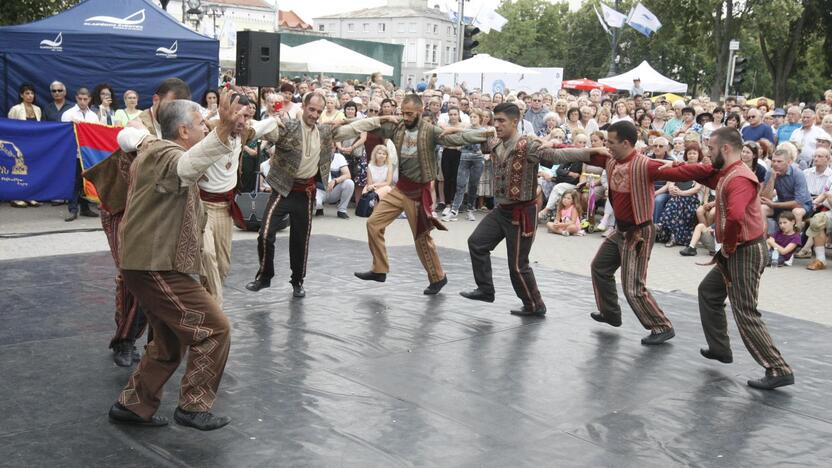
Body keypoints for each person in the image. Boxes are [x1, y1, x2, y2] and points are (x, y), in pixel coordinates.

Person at [107, 91, 243, 430]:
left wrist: (226, 131)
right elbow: (187, 165)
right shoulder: (163, 153)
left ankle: (133, 405)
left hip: (155, 264)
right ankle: (193, 406)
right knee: (214, 329)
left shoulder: (156, 151)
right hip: (155, 266)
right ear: (183, 131)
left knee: (168, 339)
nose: (206, 126)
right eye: (201, 124)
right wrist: (223, 130)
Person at [83, 78, 193, 366]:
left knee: (159, 272)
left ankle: (154, 341)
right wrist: (151, 142)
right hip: (120, 208)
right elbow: (127, 137)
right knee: (134, 274)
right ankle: (125, 340)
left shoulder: (177, 127)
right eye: (170, 105)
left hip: (153, 211)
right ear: (156, 101)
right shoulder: (139, 124)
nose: (174, 111)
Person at [459, 102, 603, 316]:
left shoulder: (529, 145)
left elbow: (560, 156)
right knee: (477, 243)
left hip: (522, 213)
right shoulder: (496, 141)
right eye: (495, 120)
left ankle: (535, 305)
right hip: (502, 210)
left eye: (501, 121)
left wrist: (591, 152)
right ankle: (485, 289)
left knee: (517, 264)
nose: (496, 125)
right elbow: (465, 137)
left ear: (515, 122)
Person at [247, 93, 393, 297]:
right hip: (283, 190)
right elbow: (266, 129)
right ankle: (264, 277)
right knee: (264, 234)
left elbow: (354, 127)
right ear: (303, 107)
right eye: (311, 109)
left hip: (306, 194)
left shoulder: (325, 132)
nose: (314, 114)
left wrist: (381, 119)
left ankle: (297, 281)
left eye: (318, 111)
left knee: (300, 240)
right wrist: (251, 125)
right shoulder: (286, 127)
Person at [584, 121, 715, 345]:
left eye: (611, 142)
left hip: (639, 232)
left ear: (626, 143)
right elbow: (577, 154)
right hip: (621, 230)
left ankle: (662, 326)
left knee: (633, 287)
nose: (607, 146)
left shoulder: (645, 165)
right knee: (600, 267)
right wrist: (544, 149)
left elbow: (681, 171)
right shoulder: (611, 159)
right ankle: (611, 313)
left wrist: (712, 169)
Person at [354, 94, 493, 294]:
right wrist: (381, 119)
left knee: (421, 238)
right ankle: (379, 269)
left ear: (420, 111)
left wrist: (488, 133)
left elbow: (459, 138)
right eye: (403, 112)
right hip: (400, 188)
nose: (405, 116)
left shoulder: (430, 131)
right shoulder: (397, 126)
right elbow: (367, 125)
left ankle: (438, 277)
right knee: (373, 223)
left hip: (418, 192)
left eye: (409, 113)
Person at [692, 126, 794, 390]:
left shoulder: (738, 177)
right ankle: (720, 348)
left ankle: (778, 368)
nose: (708, 152)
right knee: (709, 292)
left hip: (744, 250)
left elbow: (736, 217)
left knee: (744, 310)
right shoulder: (730, 173)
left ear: (725, 149)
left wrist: (727, 245)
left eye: (711, 148)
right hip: (739, 248)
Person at [62, 88, 100, 221]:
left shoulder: (94, 116)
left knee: (86, 180)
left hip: (88, 153)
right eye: (80, 99)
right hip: (73, 153)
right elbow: (63, 134)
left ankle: (85, 208)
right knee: (75, 181)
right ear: (76, 98)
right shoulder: (68, 114)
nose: (83, 102)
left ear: (89, 99)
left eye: (86, 99)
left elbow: (96, 135)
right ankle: (72, 209)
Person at [657, 143, 704, 247]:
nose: (691, 155)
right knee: (676, 202)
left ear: (698, 155)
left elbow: (696, 188)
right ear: (686, 155)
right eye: (689, 153)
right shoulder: (682, 165)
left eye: (694, 153)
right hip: (677, 196)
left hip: (691, 198)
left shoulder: (701, 168)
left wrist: (681, 193)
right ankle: (672, 235)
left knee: (678, 202)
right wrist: (672, 188)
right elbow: (672, 181)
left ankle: (664, 229)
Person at [444, 109, 486, 222]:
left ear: (480, 118)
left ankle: (470, 210)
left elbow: (486, 143)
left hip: (478, 159)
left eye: (475, 117)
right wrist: (460, 146)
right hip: (464, 158)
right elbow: (459, 140)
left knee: (473, 185)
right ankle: (454, 210)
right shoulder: (466, 129)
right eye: (471, 117)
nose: (472, 119)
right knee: (460, 184)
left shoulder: (484, 130)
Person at [7, 83, 43, 208]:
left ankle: (29, 195)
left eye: (32, 93)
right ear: (21, 95)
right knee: (18, 170)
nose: (30, 96)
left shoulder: (37, 109)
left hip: (34, 144)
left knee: (31, 169)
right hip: (19, 144)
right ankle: (16, 197)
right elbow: (10, 128)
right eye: (27, 93)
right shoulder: (15, 109)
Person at [316, 147, 355, 219]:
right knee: (317, 203)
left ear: (335, 149)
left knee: (349, 183)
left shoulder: (339, 157)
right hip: (319, 190)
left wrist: (335, 180)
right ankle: (319, 208)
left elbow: (347, 175)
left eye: (331, 147)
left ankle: (342, 210)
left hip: (334, 190)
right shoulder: (315, 157)